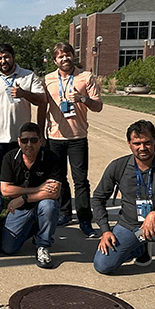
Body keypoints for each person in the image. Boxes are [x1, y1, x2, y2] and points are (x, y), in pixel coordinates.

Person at [92, 120, 155, 291]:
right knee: (103, 266)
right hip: (129, 225)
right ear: (129, 144)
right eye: (137, 143)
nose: (142, 147)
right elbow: (98, 198)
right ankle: (140, 248)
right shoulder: (119, 166)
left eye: (147, 142)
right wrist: (105, 230)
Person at [40, 42, 103, 238]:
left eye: (67, 55)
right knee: (59, 179)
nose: (65, 59)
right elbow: (43, 107)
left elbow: (98, 106)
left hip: (77, 137)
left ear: (72, 56)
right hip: (54, 137)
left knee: (81, 180)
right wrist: (41, 133)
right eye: (60, 56)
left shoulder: (86, 77)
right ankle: (65, 212)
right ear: (55, 60)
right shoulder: (48, 80)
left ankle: (85, 219)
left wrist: (83, 99)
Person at [0, 43, 46, 178]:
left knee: (19, 177)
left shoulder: (28, 76)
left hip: (20, 139)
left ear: (13, 57)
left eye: (6, 57)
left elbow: (41, 100)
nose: (3, 61)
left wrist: (24, 93)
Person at [0, 122, 62, 269]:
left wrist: (24, 198)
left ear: (41, 141)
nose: (29, 144)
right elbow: (5, 190)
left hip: (37, 204)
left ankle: (43, 246)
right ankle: (34, 228)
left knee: (49, 205)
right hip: (20, 209)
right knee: (9, 249)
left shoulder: (51, 158)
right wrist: (38, 189)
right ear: (19, 141)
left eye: (34, 140)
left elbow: (54, 192)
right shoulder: (10, 157)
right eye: (25, 140)